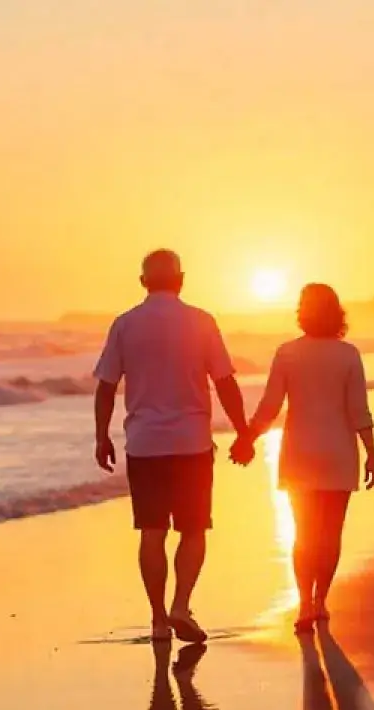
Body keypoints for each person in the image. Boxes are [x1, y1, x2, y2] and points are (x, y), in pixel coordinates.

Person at [93, 249, 250, 643]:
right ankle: (181, 604)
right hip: (191, 443)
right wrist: (243, 432)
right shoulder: (201, 321)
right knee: (193, 529)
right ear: (181, 280)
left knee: (152, 532)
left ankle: (159, 621)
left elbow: (106, 386)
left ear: (143, 281)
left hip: (144, 444)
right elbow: (225, 381)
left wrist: (101, 436)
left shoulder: (125, 324)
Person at [230, 284, 374, 634]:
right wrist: (371, 454)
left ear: (303, 312)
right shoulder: (348, 355)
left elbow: (270, 406)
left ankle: (304, 604)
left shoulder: (287, 353)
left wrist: (247, 438)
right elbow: (359, 410)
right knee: (330, 533)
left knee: (304, 532)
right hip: (339, 452)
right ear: (337, 313)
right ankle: (320, 600)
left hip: (300, 452)